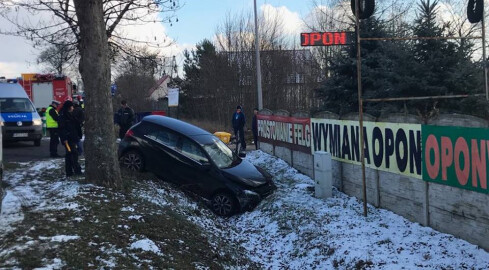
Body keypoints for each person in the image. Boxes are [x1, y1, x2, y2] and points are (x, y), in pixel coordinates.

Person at [58, 100, 82, 177]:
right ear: (69, 107)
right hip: (68, 139)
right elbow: (62, 129)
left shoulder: (70, 115)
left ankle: (70, 171)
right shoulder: (63, 116)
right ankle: (76, 170)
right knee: (72, 154)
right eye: (72, 106)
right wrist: (64, 138)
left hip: (72, 137)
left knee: (70, 155)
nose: (73, 108)